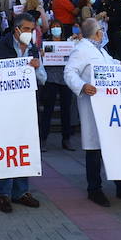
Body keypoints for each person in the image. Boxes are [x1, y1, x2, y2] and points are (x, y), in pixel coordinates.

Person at [64, 18, 121, 207]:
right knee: (94, 150)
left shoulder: (99, 49)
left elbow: (108, 64)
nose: (103, 32)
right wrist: (82, 86)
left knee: (117, 148)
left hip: (110, 106)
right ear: (97, 32)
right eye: (101, 30)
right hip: (92, 106)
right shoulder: (81, 50)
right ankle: (94, 190)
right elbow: (69, 72)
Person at [0, 14, 47, 212]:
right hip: (3, 107)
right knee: (7, 148)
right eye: (26, 29)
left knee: (23, 148)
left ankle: (21, 191)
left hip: (25, 107)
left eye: (32, 29)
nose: (30, 33)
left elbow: (42, 78)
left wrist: (36, 67)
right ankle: (3, 193)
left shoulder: (33, 49)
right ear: (16, 30)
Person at [39, 15, 77, 151]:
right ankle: (43, 139)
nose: (56, 29)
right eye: (53, 27)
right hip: (50, 78)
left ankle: (66, 139)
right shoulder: (46, 43)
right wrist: (42, 55)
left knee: (66, 110)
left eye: (58, 27)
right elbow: (42, 61)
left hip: (65, 79)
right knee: (48, 110)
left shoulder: (67, 43)